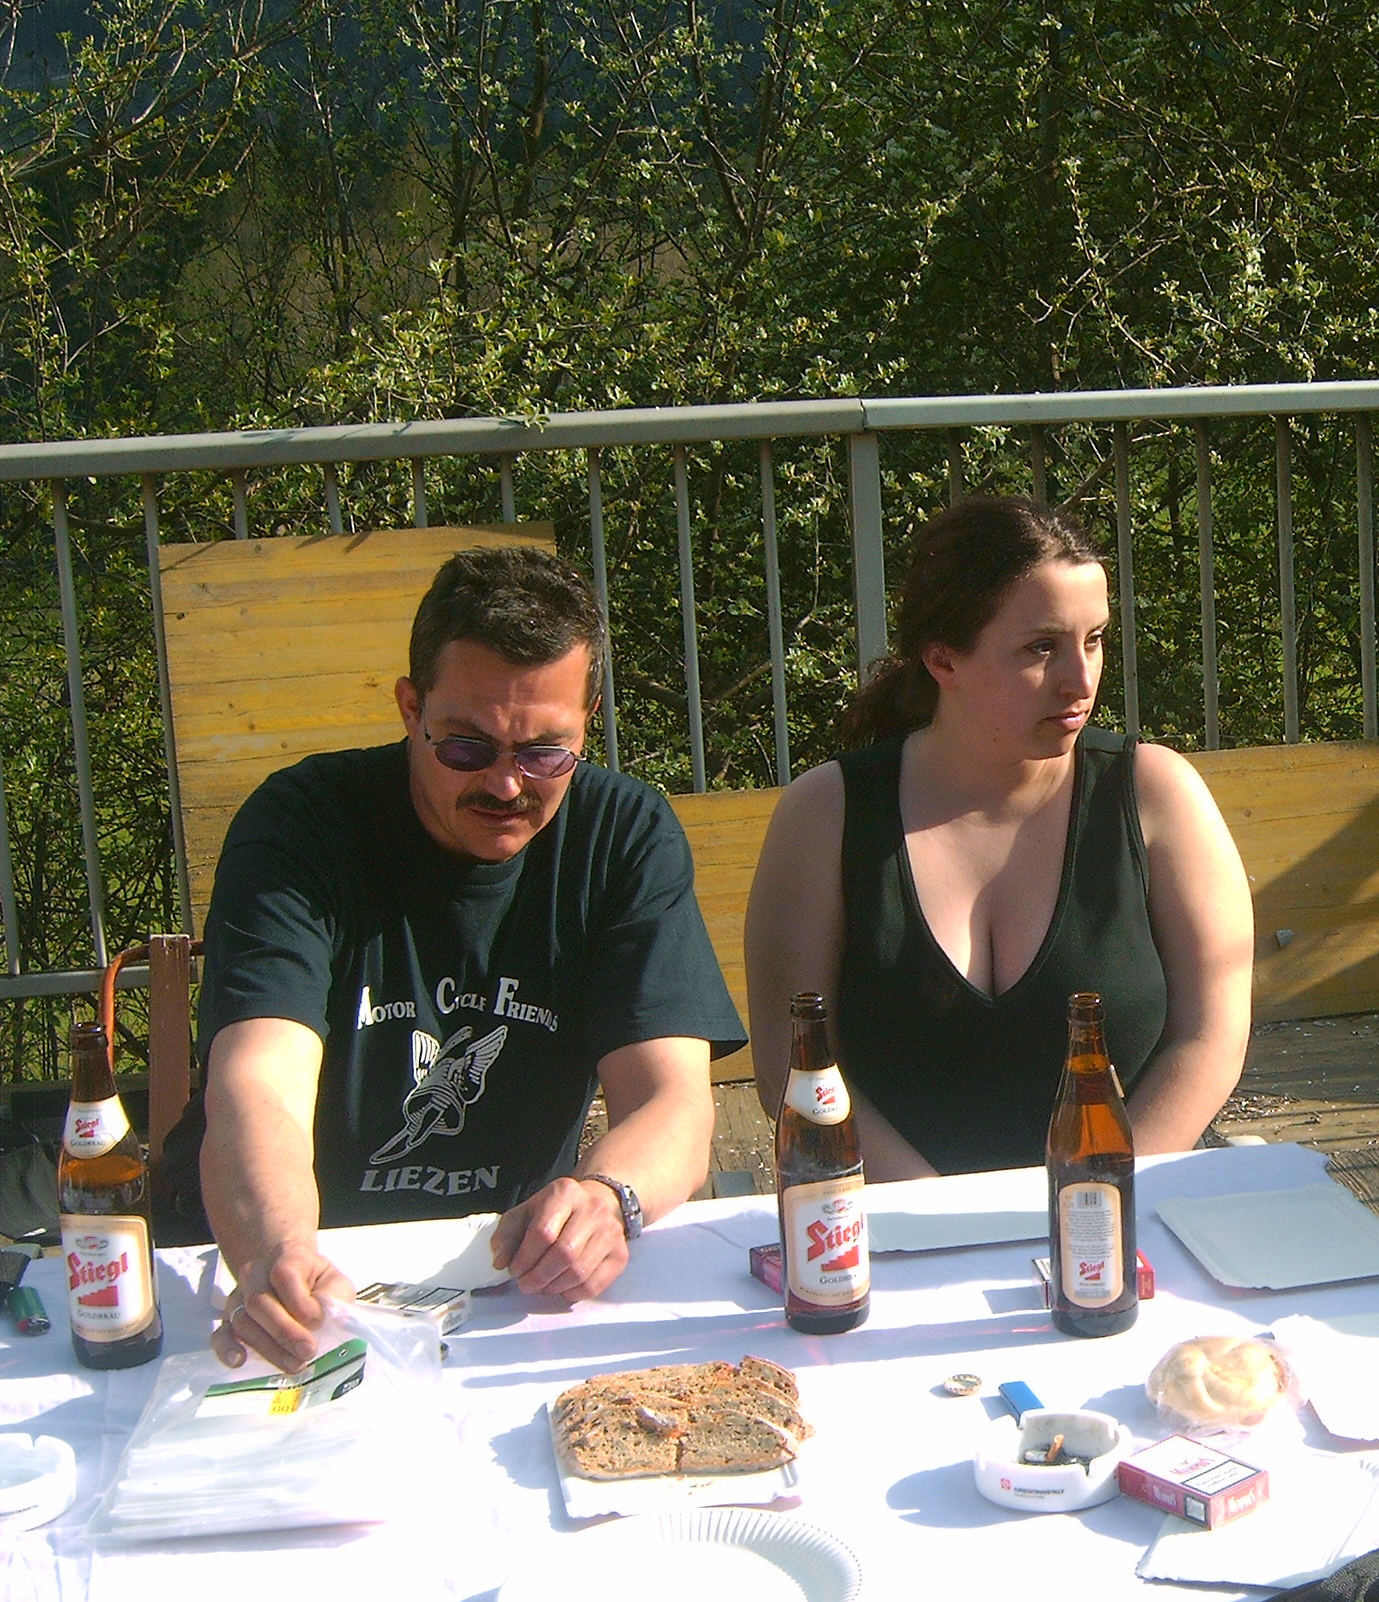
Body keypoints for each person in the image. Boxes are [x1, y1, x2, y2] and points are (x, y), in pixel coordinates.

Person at [181, 546, 744, 1374]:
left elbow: (673, 1102)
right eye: (468, 749)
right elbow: (256, 1082)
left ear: (589, 718)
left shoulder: (621, 834)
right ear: (411, 708)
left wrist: (606, 1199)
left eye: (545, 753)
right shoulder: (302, 825)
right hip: (296, 1277)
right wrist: (277, 1249)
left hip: (505, 1279)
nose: (507, 786)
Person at [745, 495, 1252, 1178]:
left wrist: (1098, 1191)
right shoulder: (825, 814)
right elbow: (791, 1066)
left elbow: (1210, 1036)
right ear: (943, 660)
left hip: (1126, 1200)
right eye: (1042, 648)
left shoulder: (1157, 793)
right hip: (897, 1217)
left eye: (1095, 639)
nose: (1081, 680)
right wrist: (941, 1214)